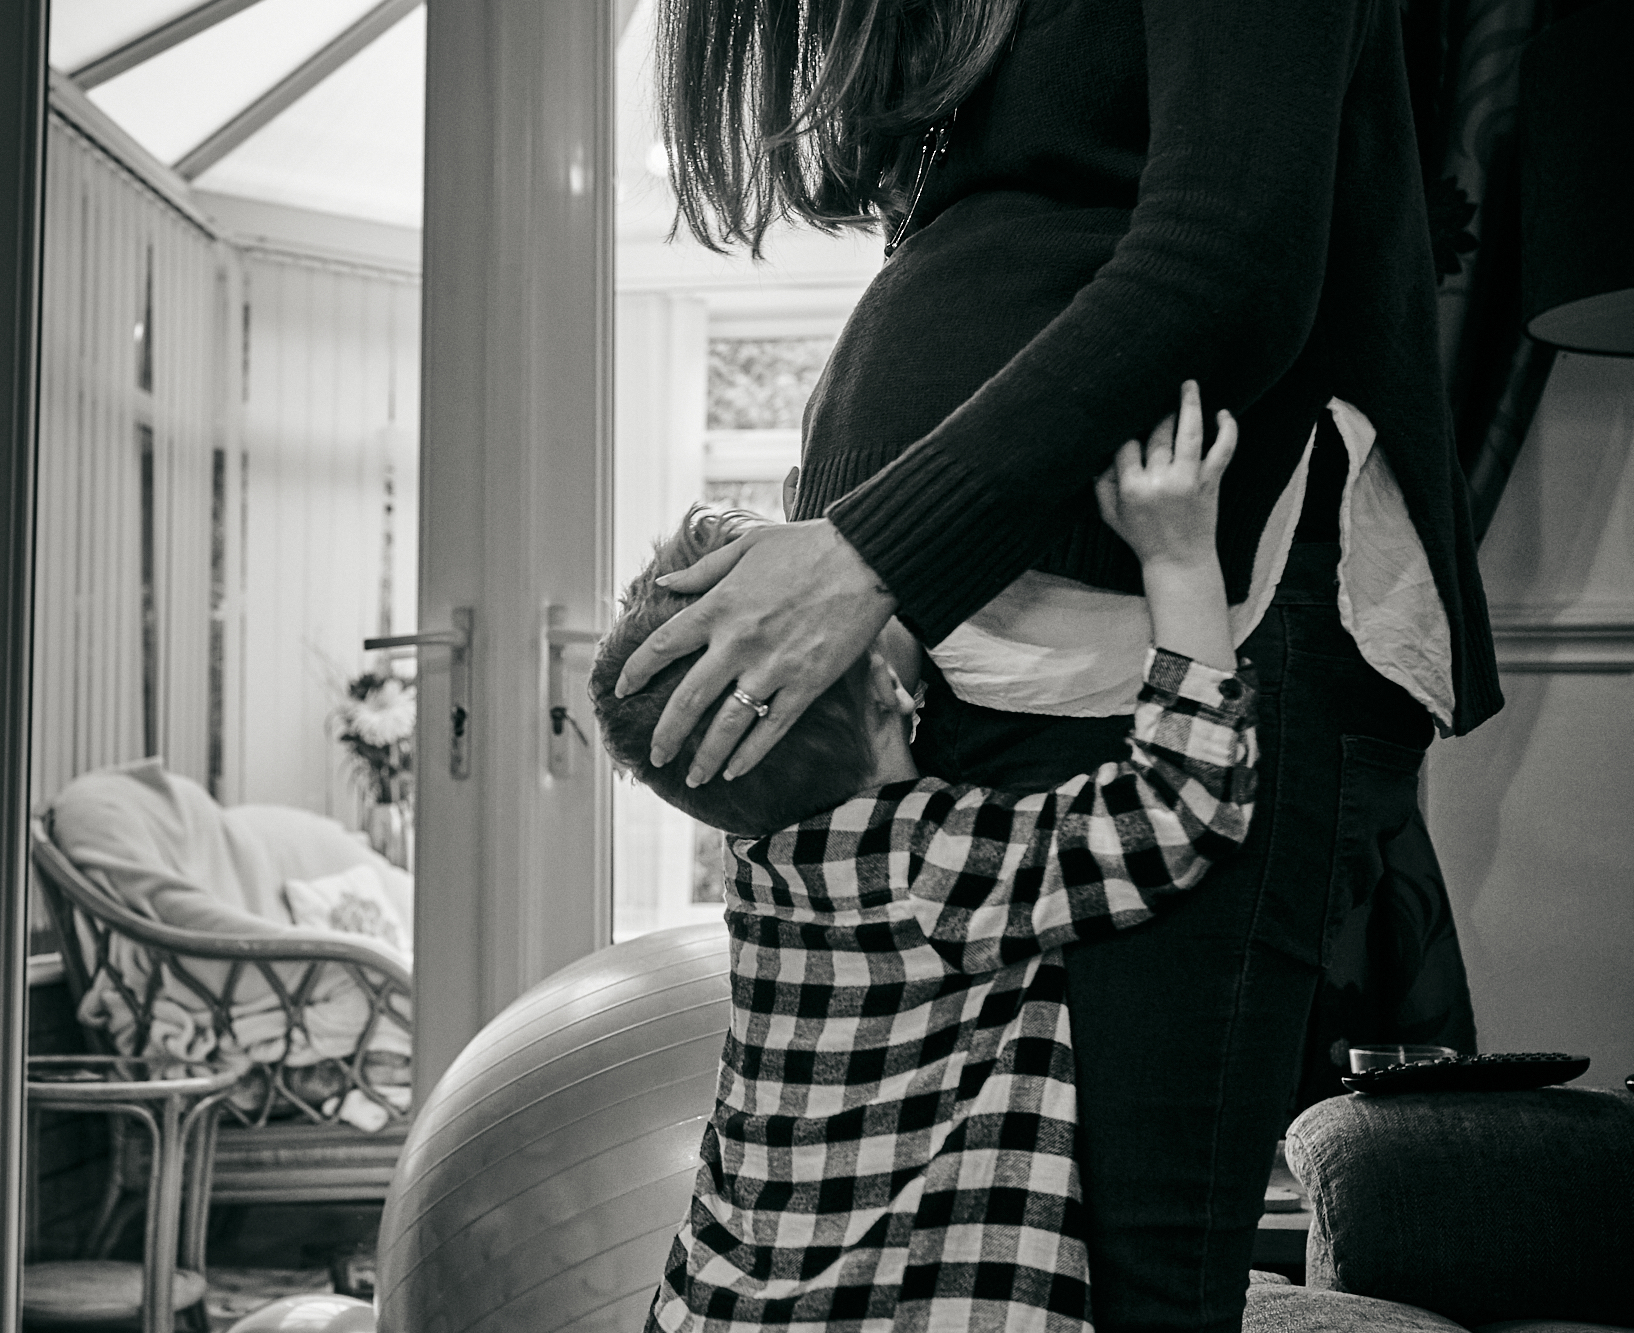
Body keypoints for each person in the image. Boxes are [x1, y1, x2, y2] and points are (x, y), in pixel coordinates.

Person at [617, 2, 1502, 1327]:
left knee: (1135, 1274)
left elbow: (1236, 246)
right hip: (997, 629)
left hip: (1110, 625)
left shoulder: (842, 871)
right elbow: (1176, 803)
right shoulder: (899, 853)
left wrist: (869, 556)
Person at [594, 393, 1257, 1330]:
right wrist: (1178, 554)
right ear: (881, 686)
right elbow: (1187, 803)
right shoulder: (938, 865)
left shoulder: (761, 865)